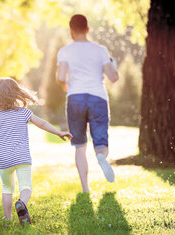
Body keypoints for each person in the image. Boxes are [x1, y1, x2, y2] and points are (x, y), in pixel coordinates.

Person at [0, 77, 72, 226]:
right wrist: (58, 132)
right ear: (15, 93)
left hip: (4, 159)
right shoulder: (23, 112)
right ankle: (22, 204)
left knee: (7, 188)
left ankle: (7, 219)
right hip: (22, 157)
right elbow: (42, 123)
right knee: (26, 186)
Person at [56, 14, 119, 192]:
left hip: (75, 97)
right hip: (98, 97)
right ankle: (101, 156)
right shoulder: (100, 50)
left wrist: (65, 83)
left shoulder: (65, 51)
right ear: (88, 29)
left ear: (71, 31)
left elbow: (61, 77)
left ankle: (85, 188)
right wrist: (115, 68)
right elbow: (113, 78)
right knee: (100, 142)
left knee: (79, 145)